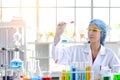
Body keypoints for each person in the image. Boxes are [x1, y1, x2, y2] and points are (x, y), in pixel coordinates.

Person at [52, 19, 120, 80]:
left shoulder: (109, 54)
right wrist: (58, 35)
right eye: (89, 30)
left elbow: (118, 73)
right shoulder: (76, 50)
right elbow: (58, 58)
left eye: (94, 30)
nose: (90, 32)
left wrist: (105, 76)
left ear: (102, 34)